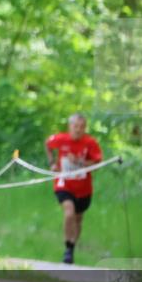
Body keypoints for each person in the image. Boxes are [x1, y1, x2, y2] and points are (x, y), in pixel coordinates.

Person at [45, 113, 103, 264]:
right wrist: (52, 163)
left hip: (83, 188)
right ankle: (68, 249)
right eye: (75, 126)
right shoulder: (61, 139)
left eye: (82, 127)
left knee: (78, 219)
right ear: (70, 126)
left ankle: (72, 246)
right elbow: (48, 144)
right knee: (69, 213)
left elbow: (97, 164)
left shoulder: (90, 143)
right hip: (64, 184)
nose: (78, 130)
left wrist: (79, 162)